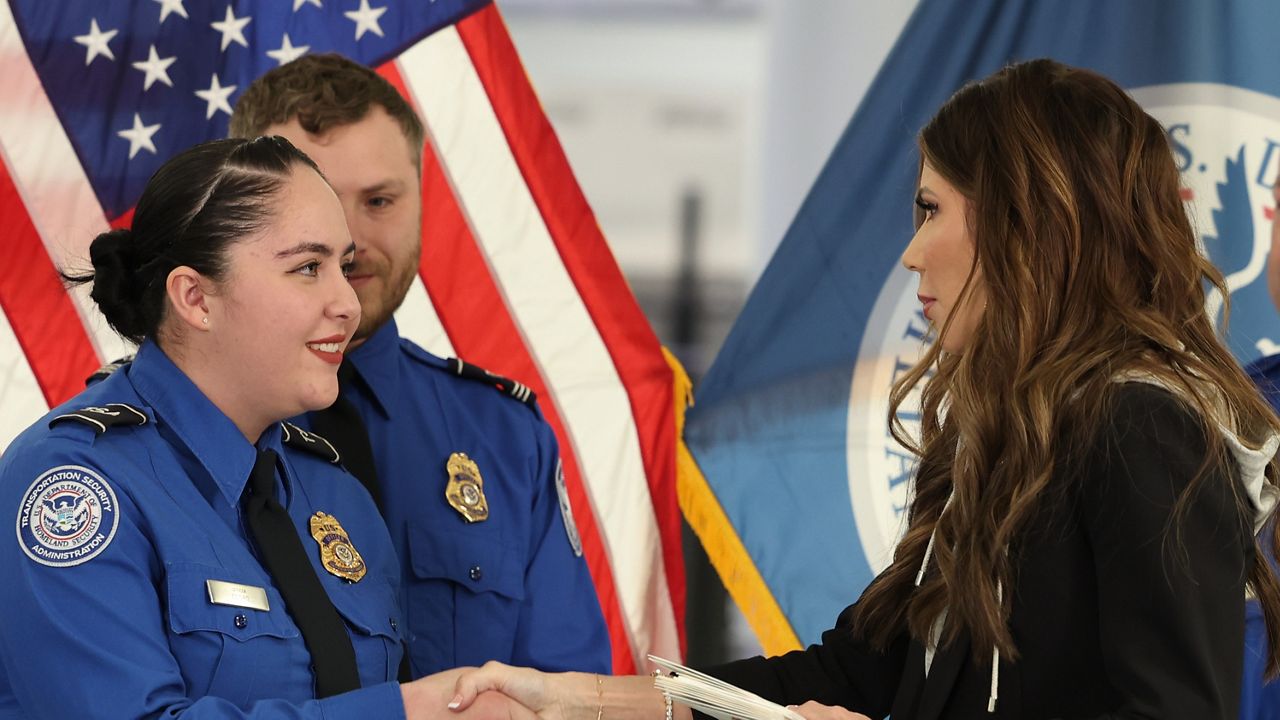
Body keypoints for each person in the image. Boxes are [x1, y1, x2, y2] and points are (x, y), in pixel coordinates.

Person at [444, 58, 1280, 719]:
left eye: (929, 211)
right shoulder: (995, 435)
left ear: (1030, 223)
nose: (912, 254)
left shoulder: (1142, 422)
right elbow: (862, 671)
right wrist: (576, 702)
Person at [0, 136, 531, 720]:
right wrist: (406, 713)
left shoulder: (333, 492)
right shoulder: (71, 485)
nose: (348, 303)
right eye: (308, 268)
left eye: (343, 266)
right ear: (196, 298)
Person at [228, 54, 610, 679]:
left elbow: (565, 695)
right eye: (313, 205)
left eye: (379, 200)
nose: (346, 241)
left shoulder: (506, 438)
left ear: (422, 203)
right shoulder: (164, 433)